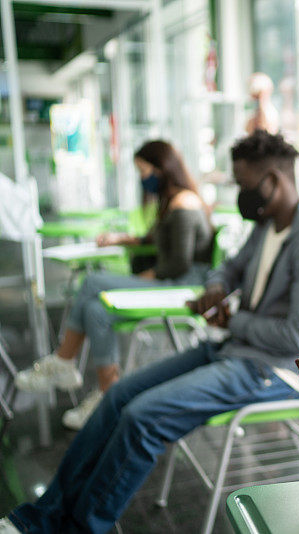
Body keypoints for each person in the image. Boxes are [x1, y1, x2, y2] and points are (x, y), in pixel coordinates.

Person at [3, 131, 299, 534]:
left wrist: (228, 319)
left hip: (275, 368)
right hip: (235, 349)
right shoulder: (268, 226)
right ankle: (40, 520)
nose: (238, 193)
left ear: (271, 181)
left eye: (242, 184)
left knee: (142, 418)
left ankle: (78, 528)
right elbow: (229, 267)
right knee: (116, 397)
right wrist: (218, 287)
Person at [15, 140, 214, 430]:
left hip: (182, 287)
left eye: (144, 171)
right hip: (171, 280)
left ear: (161, 170)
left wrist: (138, 281)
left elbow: (178, 264)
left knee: (94, 281)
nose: (141, 178)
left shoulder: (184, 204)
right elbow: (154, 240)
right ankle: (109, 396)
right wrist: (122, 239)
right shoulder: (173, 201)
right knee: (96, 309)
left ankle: (63, 361)